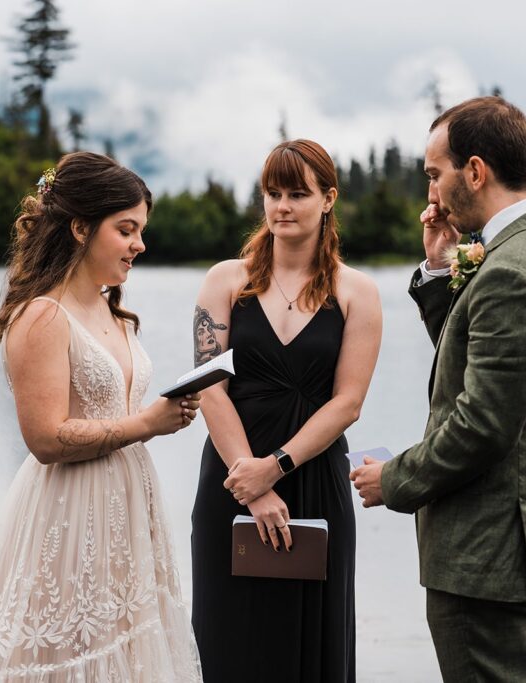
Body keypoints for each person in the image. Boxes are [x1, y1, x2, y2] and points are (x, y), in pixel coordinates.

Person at [0, 152, 203, 682]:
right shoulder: (42, 316)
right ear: (80, 227)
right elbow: (46, 438)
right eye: (126, 230)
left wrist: (173, 409)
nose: (139, 245)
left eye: (140, 231)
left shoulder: (115, 314)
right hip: (69, 511)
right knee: (60, 656)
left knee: (125, 651)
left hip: (129, 504)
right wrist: (147, 423)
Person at [351, 96, 526, 682]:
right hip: (517, 524)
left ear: (476, 171)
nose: (431, 194)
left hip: (481, 546)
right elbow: (478, 361)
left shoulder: (509, 269)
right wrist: (438, 272)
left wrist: (397, 478)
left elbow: (483, 424)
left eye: (436, 174)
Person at [189, 139, 383, 682]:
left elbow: (348, 403)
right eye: (273, 193)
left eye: (298, 193)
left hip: (312, 478)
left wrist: (272, 468)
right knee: (228, 642)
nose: (282, 206)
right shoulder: (224, 280)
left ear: (328, 199)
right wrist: (248, 481)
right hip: (231, 481)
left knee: (311, 649)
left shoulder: (357, 292)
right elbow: (208, 387)